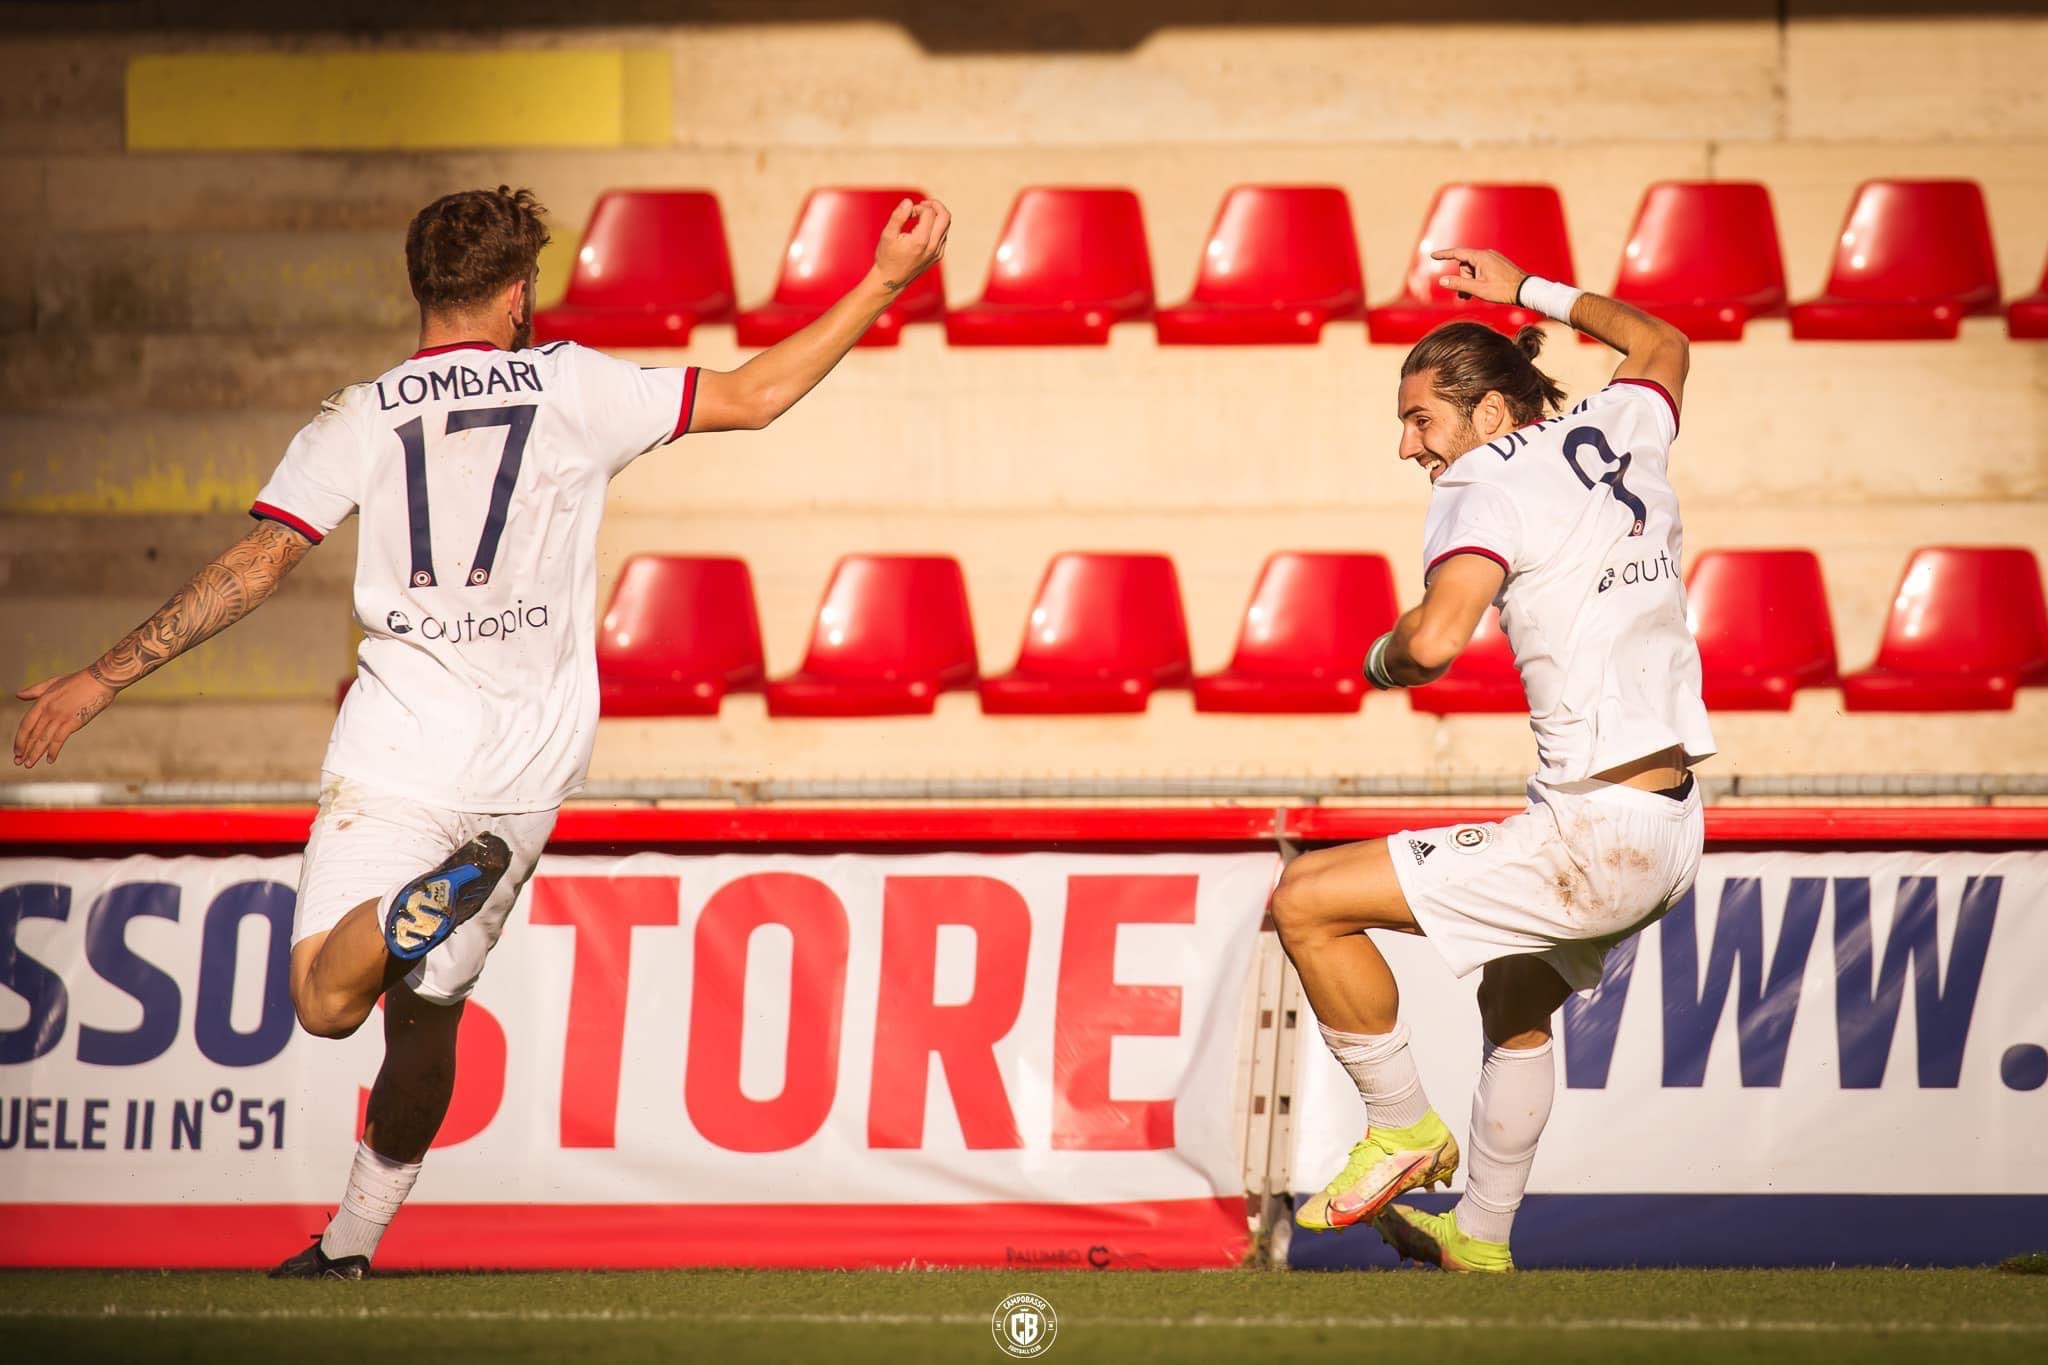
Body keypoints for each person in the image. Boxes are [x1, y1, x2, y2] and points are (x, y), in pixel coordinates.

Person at [10, 184, 950, 1278]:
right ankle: (353, 1244)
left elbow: (253, 568)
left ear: (421, 291)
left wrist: (103, 679)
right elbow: (753, 396)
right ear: (518, 293)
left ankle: (392, 965)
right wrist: (884, 280)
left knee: (323, 999)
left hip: (395, 752)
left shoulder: (358, 414)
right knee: (429, 1021)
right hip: (519, 776)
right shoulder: (575, 384)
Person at [1272, 248, 1713, 1272]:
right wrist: (1524, 289)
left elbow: (1432, 645)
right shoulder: (1620, 424)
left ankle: (1397, 1127)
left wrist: (1381, 654)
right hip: (1672, 822)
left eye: (1419, 419)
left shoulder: (1482, 480)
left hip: (1593, 834)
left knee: (1304, 899)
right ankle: (1478, 1241)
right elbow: (1661, 342)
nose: (1404, 446)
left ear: (1489, 415)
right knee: (1512, 1001)